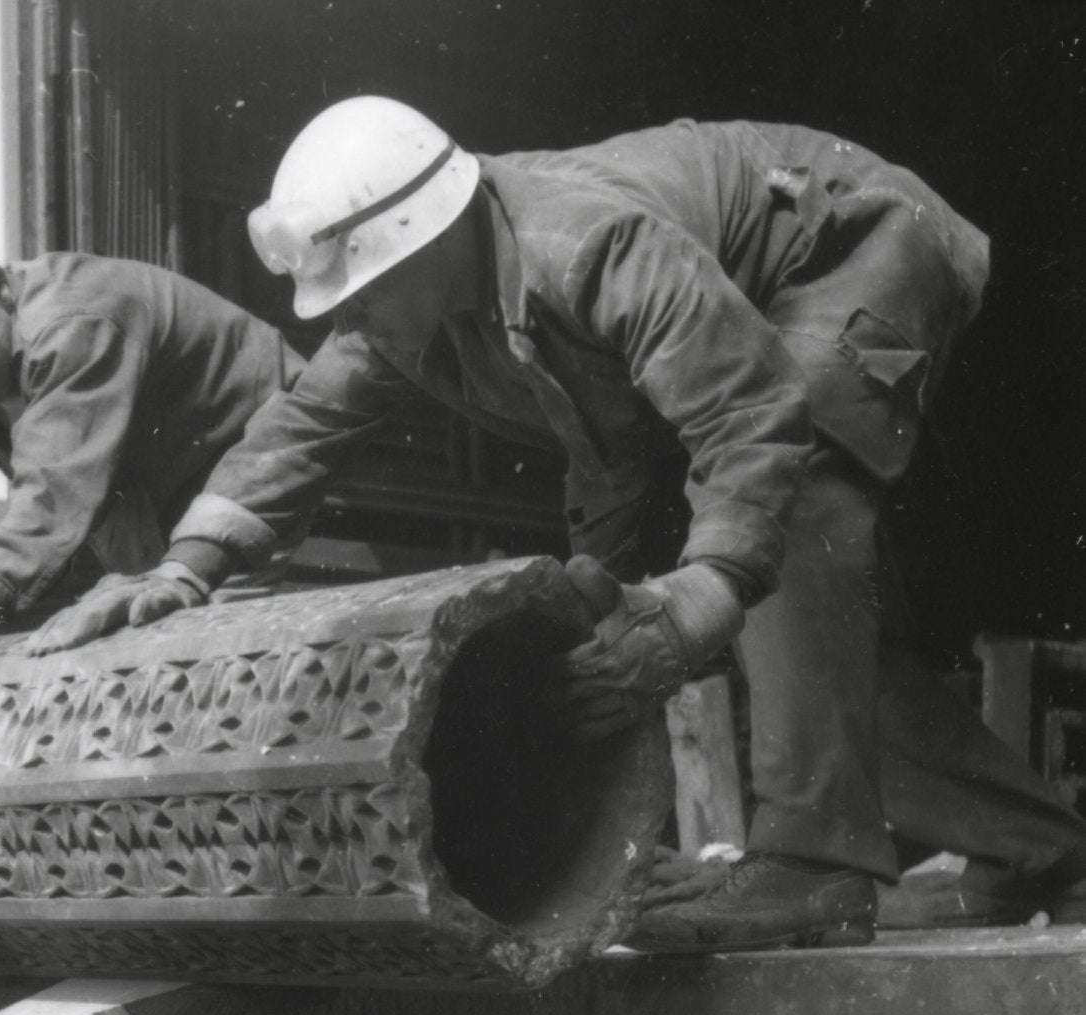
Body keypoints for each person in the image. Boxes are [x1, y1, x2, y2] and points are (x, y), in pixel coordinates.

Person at [67, 98, 1086, 950]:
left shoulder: (590, 245)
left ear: (423, 238)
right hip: (742, 320)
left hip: (857, 244)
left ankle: (813, 867)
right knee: (765, 614)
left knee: (797, 495)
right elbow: (299, 431)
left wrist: (701, 597)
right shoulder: (402, 311)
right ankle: (1039, 850)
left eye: (360, 290)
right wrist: (185, 568)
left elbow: (748, 411)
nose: (347, 315)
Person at [0, 218, 306, 723]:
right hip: (160, 498)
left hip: (274, 464)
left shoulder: (77, 318)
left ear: (1, 291)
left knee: (217, 680)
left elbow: (50, 495)